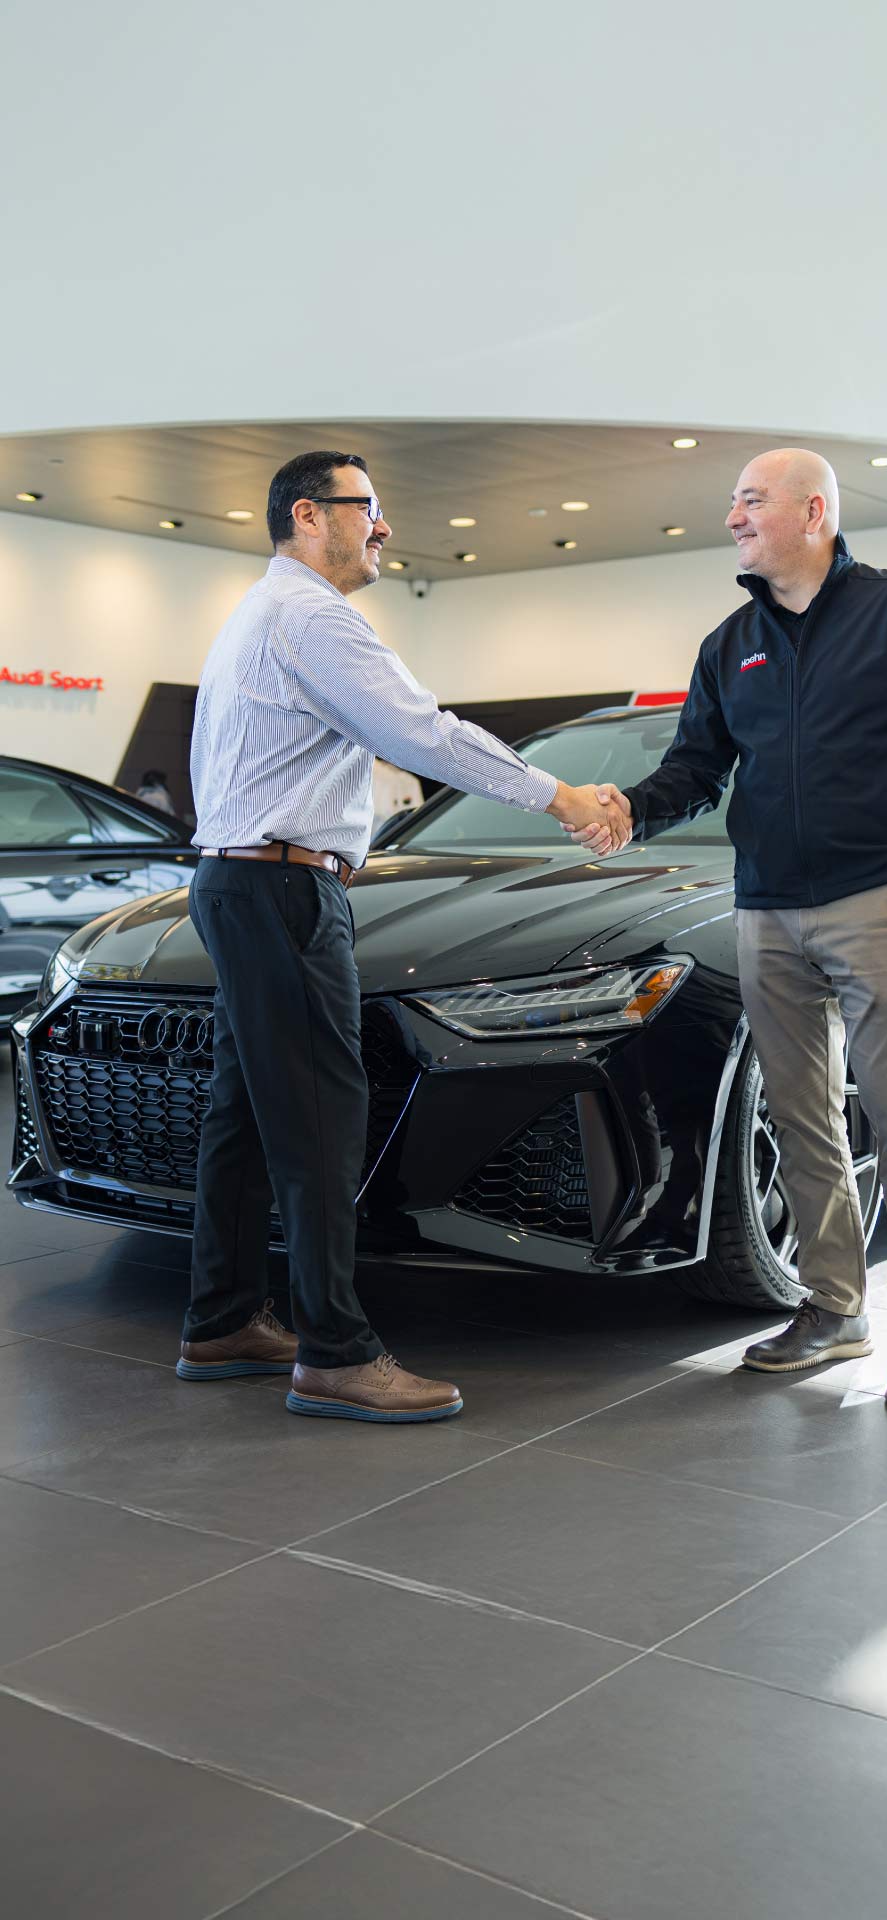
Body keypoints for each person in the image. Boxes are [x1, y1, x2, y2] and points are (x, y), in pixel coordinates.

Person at [178, 449, 629, 1423]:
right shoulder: (311, 617)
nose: (383, 526)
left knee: (246, 1116)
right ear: (308, 515)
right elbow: (420, 732)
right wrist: (560, 796)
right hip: (283, 887)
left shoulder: (260, 613)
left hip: (239, 880)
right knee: (321, 1119)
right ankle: (335, 1353)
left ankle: (223, 1320)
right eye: (366, 507)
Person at [570, 448, 887, 1408]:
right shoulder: (732, 644)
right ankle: (834, 1307)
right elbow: (695, 770)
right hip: (766, 908)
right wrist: (630, 810)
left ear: (813, 512)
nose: (733, 517)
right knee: (803, 1120)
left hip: (879, 900)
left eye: (751, 500)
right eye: (733, 501)